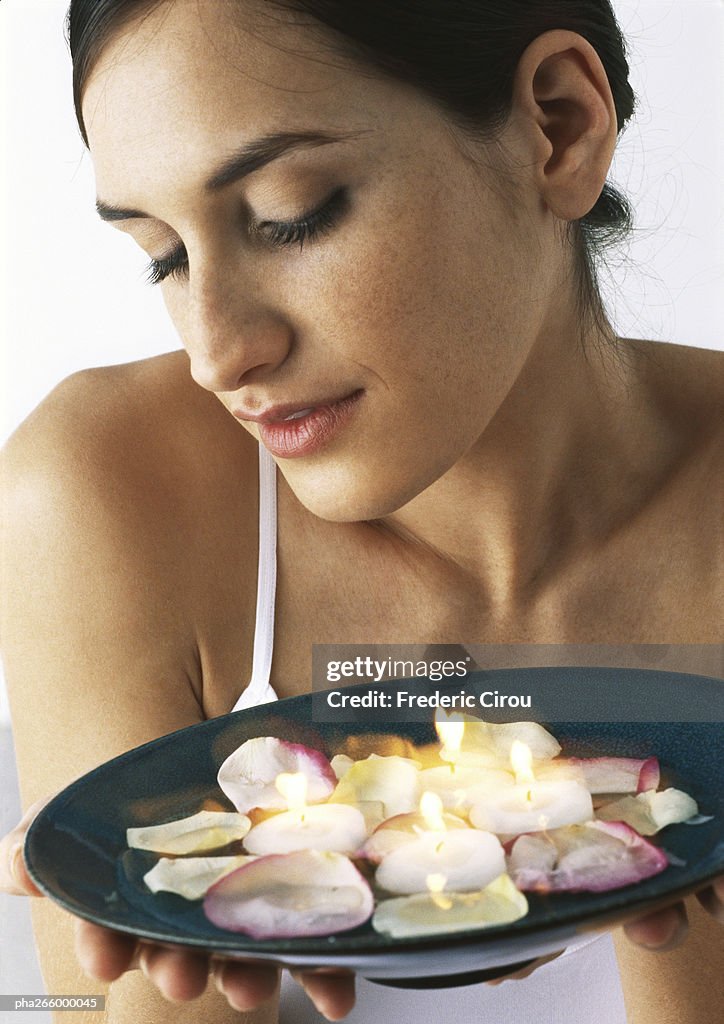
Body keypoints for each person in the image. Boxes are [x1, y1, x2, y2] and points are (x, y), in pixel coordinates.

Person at [1, 0, 722, 1022]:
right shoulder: (108, 493)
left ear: (557, 127)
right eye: (162, 255)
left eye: (293, 212)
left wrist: (666, 878)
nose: (219, 352)